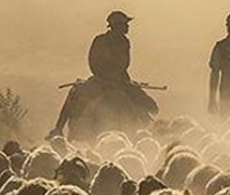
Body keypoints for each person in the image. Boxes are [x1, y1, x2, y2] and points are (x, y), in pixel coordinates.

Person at [49, 10, 154, 138]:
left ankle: (147, 131)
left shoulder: (125, 42)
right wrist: (110, 76)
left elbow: (124, 64)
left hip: (119, 80)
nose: (127, 27)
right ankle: (58, 129)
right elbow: (95, 63)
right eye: (125, 24)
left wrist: (121, 77)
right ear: (117, 26)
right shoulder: (101, 40)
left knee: (145, 102)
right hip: (103, 79)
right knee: (74, 93)